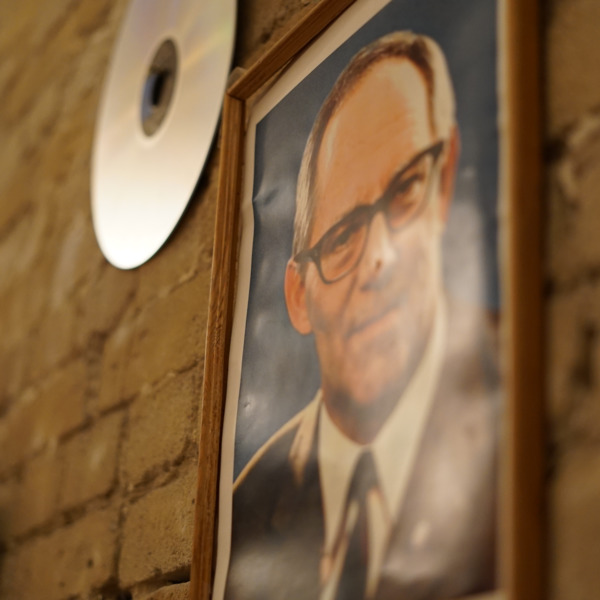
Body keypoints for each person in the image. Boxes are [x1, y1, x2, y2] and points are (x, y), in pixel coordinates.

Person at [224, 31, 500, 600]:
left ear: (445, 179)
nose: (379, 259)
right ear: (298, 296)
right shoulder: (244, 511)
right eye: (343, 238)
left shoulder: (529, 387)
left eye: (405, 191)